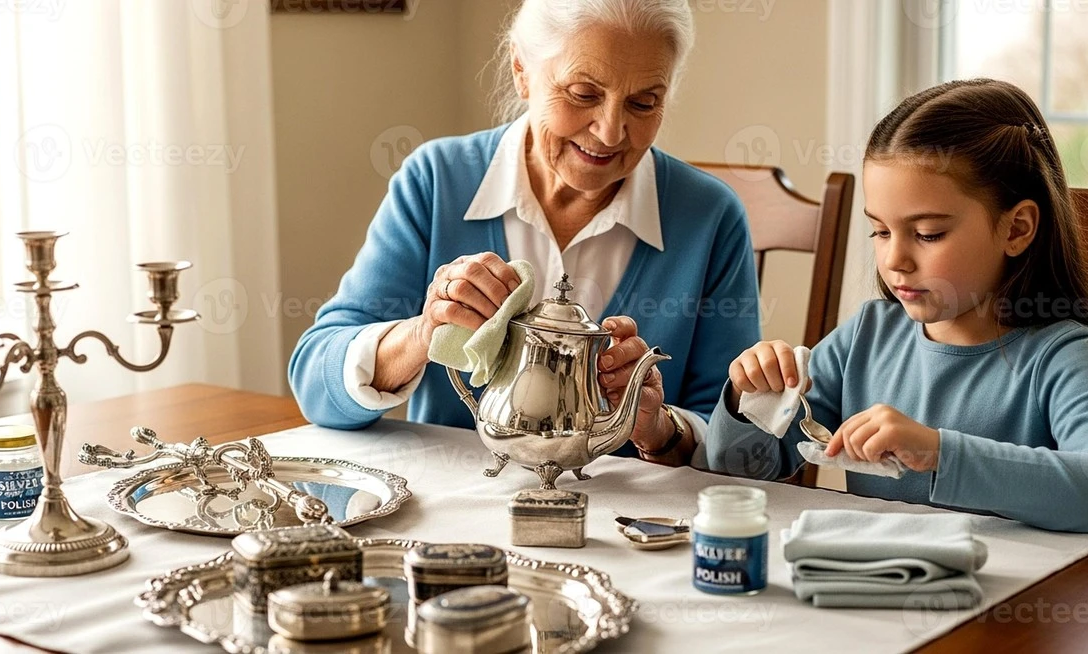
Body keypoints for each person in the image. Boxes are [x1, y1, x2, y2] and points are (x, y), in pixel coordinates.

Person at [289, 0, 760, 465]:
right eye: (583, 93)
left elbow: (736, 444)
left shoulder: (710, 217)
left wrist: (657, 429)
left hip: (629, 526)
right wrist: (424, 331)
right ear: (522, 70)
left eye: (643, 103)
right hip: (452, 522)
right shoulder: (436, 181)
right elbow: (316, 383)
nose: (612, 131)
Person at [705, 79, 1088, 536]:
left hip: (1009, 603)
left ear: (1016, 229)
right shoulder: (866, 338)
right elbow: (739, 471)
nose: (894, 259)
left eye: (928, 234)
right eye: (880, 231)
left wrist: (940, 452)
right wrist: (748, 400)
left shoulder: (1061, 354)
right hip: (867, 592)